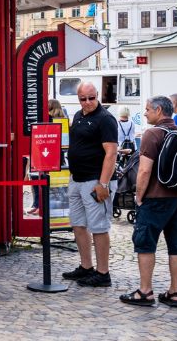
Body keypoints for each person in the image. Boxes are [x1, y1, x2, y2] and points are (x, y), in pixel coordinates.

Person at [120, 96, 177, 308]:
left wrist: (139, 196)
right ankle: (174, 293)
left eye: (148, 109)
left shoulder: (153, 134)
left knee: (145, 243)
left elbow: (144, 170)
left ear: (159, 110)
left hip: (156, 198)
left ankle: (145, 291)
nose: (146, 113)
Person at [62, 81, 119, 288]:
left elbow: (111, 153)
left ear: (98, 96)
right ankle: (86, 266)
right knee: (78, 224)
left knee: (99, 227)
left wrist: (103, 183)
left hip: (95, 181)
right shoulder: (78, 116)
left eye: (91, 98)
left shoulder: (105, 119)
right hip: (77, 178)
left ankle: (103, 273)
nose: (87, 102)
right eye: (83, 99)